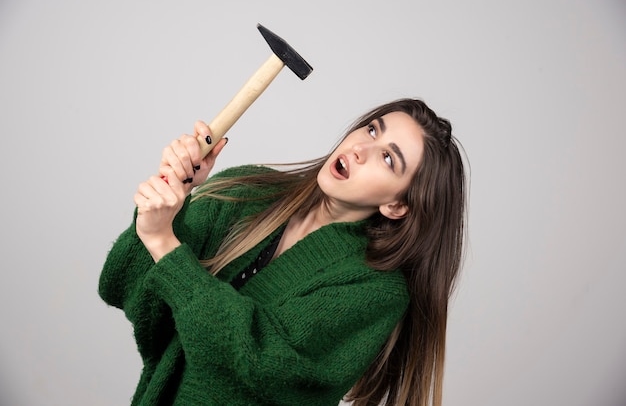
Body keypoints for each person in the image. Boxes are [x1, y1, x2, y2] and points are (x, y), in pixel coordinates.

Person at [99, 97, 468, 406]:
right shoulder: (245, 190)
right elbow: (130, 292)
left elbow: (260, 366)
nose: (360, 149)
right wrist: (170, 204)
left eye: (388, 159)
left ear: (397, 205)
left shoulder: (376, 291)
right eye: (372, 129)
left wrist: (165, 243)